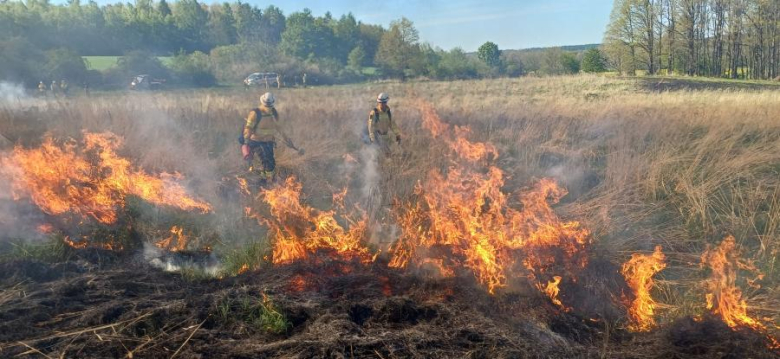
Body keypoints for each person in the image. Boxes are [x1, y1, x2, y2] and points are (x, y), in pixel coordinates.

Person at [240, 92, 302, 185]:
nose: (268, 106)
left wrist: (287, 140)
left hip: (268, 142)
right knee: (265, 160)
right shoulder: (255, 113)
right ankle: (265, 182)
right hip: (256, 141)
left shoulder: (273, 114)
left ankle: (266, 180)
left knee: (271, 162)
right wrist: (245, 141)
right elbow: (248, 128)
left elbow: (280, 129)